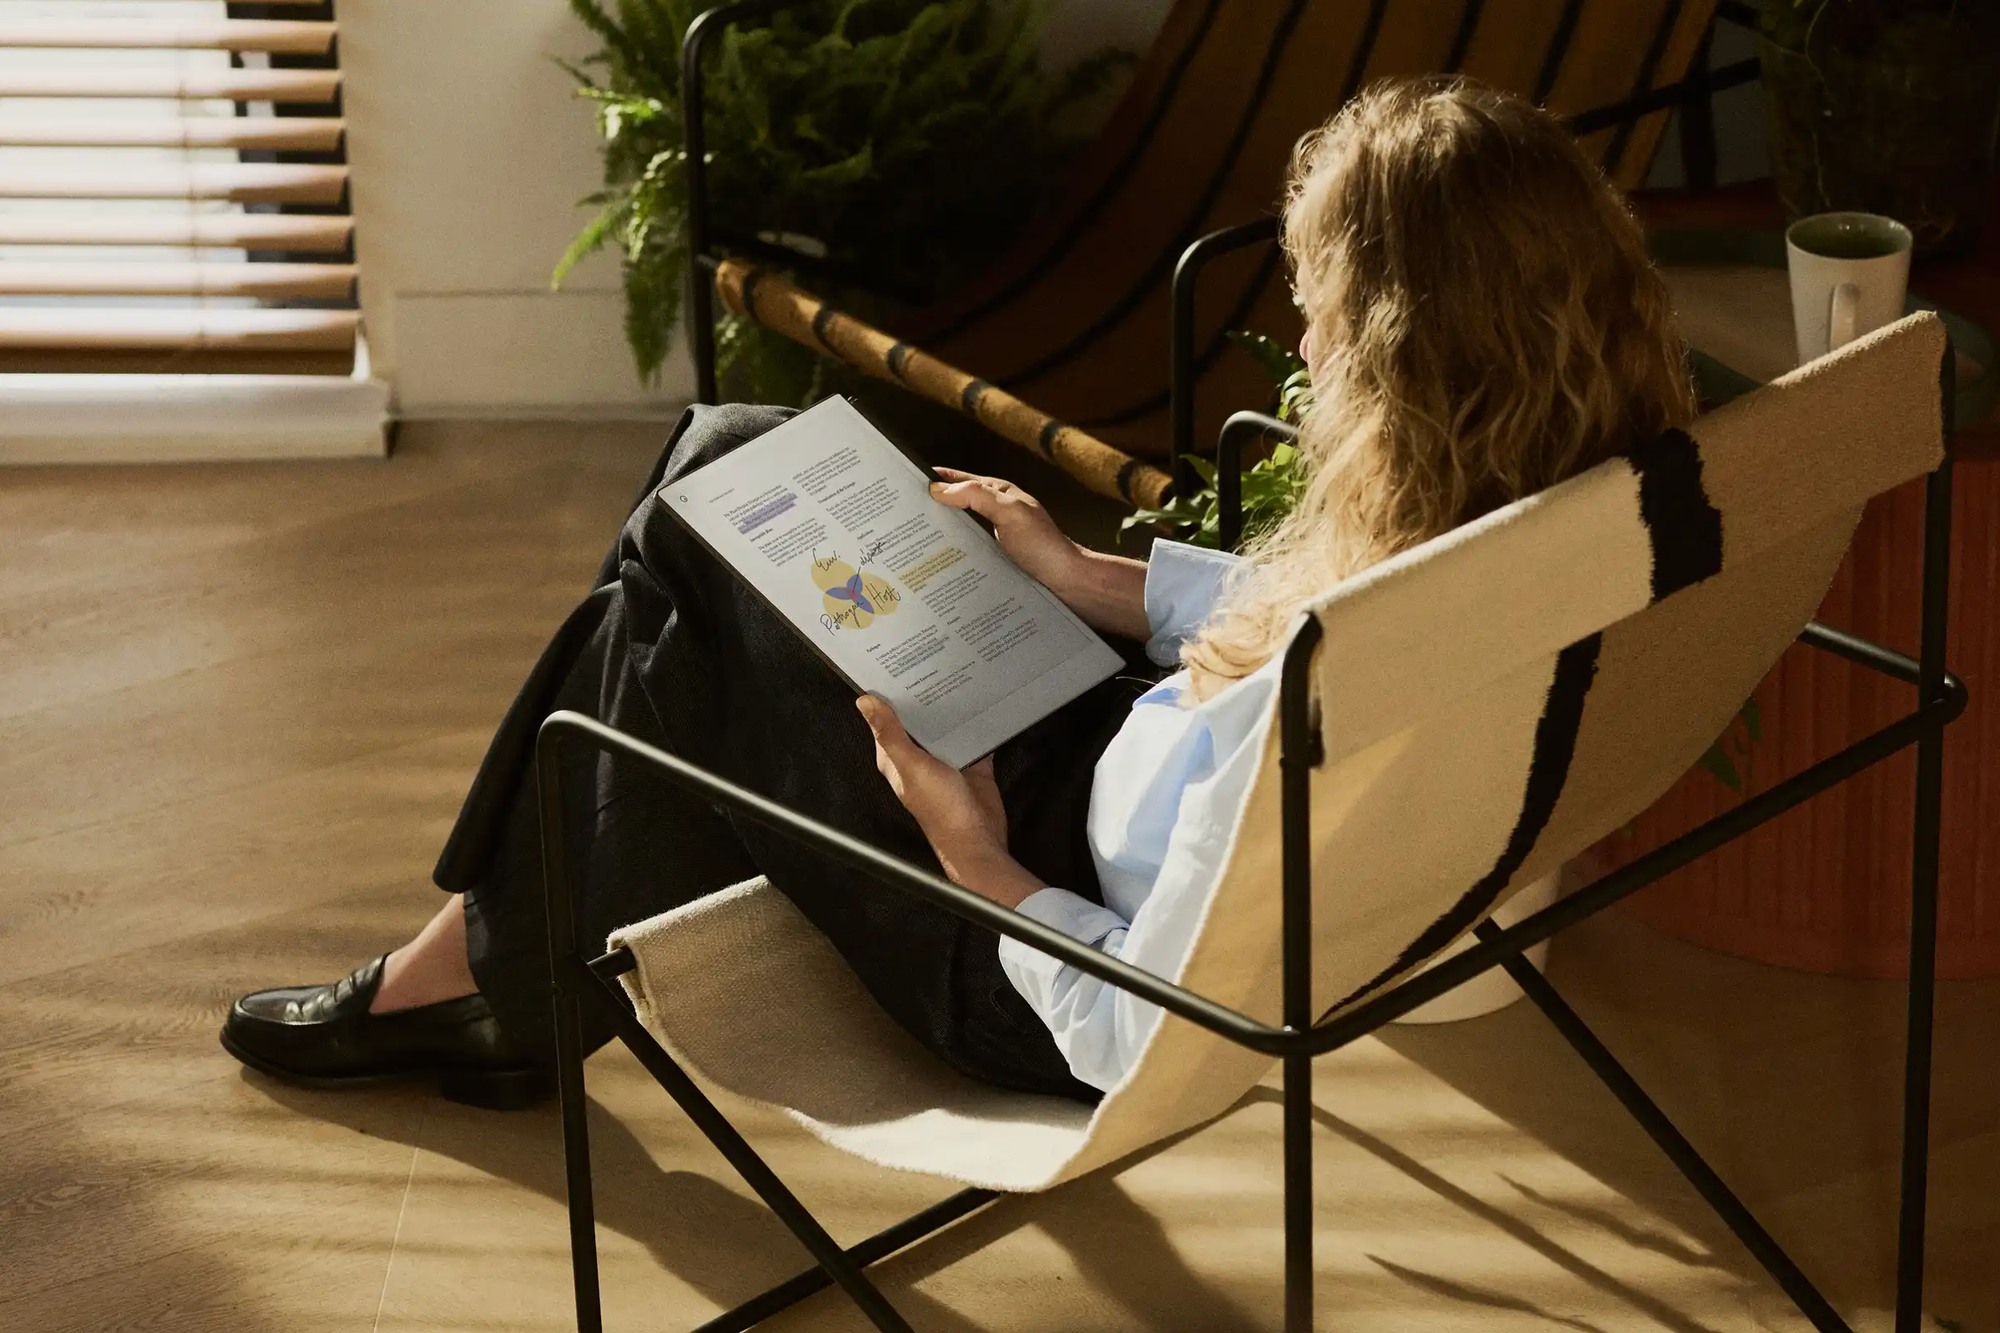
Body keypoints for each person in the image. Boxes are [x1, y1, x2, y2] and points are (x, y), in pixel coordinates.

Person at [220, 76, 1694, 1106]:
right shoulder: (1534, 517)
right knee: (735, 462)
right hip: (1094, 765)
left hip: (1020, 956)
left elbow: (1138, 1026)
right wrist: (1092, 579)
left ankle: (475, 977)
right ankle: (493, 977)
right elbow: (1307, 628)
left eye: (1320, 314)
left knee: (692, 547)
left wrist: (970, 854)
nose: (1303, 348)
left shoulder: (1331, 685)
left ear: (1397, 355)